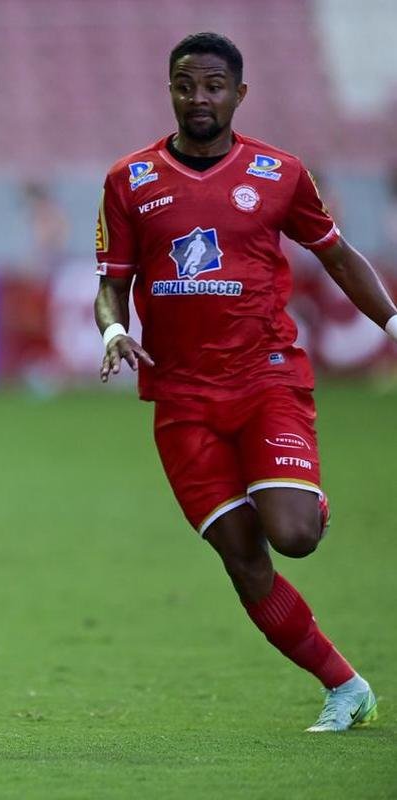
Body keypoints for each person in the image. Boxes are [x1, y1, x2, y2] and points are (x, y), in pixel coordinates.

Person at [94, 32, 397, 732]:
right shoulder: (127, 180)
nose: (197, 97)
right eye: (183, 84)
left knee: (290, 535)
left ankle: (301, 497)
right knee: (242, 556)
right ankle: (344, 687)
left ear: (237, 93)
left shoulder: (278, 173)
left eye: (211, 85)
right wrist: (112, 329)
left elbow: (335, 254)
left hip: (265, 379)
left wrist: (390, 323)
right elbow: (108, 285)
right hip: (179, 399)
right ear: (168, 89)